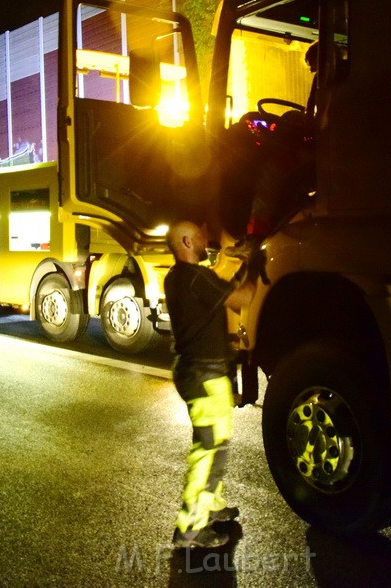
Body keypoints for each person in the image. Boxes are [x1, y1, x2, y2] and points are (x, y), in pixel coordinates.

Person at [164, 221, 255, 549]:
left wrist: (242, 269)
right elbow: (240, 297)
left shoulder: (179, 278)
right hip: (204, 375)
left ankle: (211, 506)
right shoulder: (195, 277)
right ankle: (189, 529)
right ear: (187, 241)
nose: (206, 239)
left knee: (216, 446)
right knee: (208, 450)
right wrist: (258, 265)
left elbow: (225, 289)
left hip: (201, 372)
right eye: (200, 236)